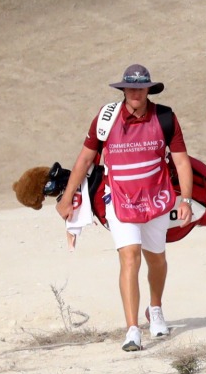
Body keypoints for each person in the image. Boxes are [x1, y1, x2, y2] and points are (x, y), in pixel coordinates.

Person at [56, 64, 192, 352]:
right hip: (119, 200)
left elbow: (181, 160)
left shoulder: (165, 117)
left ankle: (155, 309)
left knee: (156, 259)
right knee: (129, 258)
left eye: (140, 88)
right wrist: (67, 197)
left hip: (156, 200)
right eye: (130, 88)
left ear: (148, 90)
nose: (135, 93)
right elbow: (84, 160)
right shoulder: (105, 120)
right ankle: (132, 330)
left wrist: (186, 200)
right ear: (123, 89)